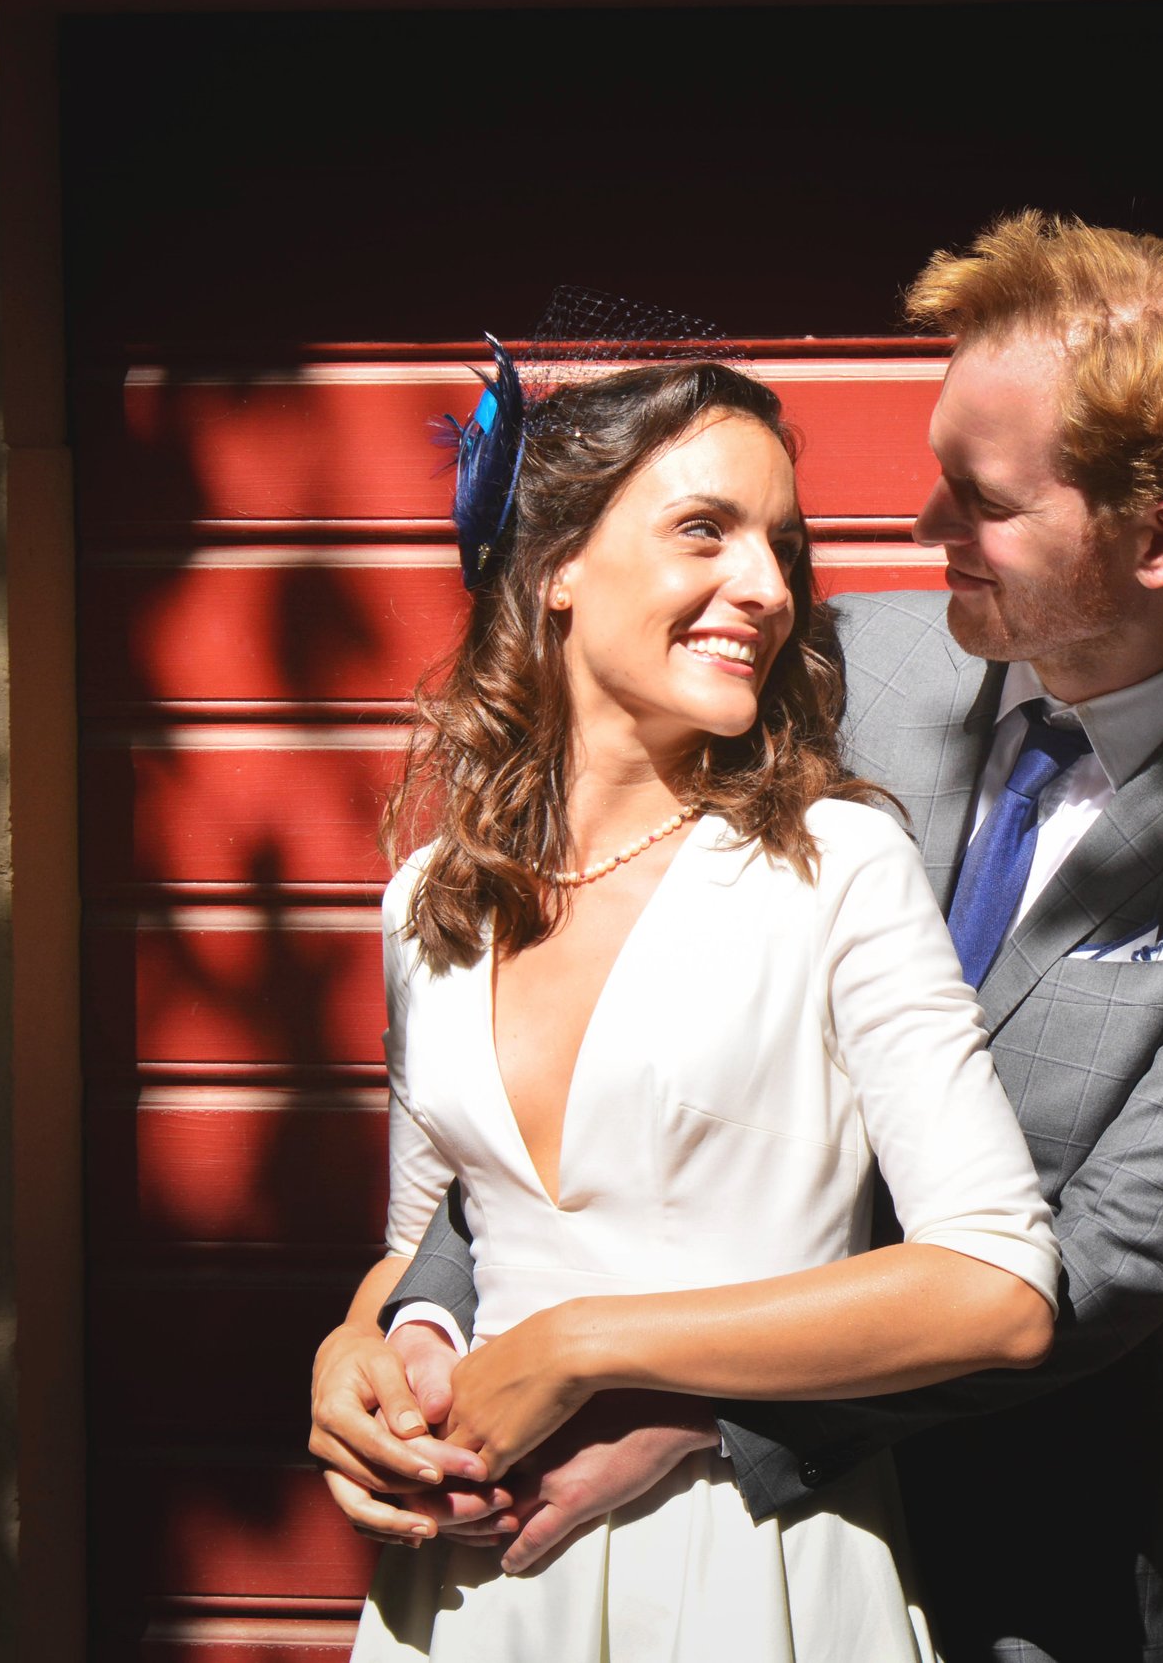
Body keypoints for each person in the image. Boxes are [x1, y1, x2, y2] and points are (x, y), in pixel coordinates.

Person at [316, 214, 1163, 1661]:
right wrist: (404, 1323)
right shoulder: (848, 662)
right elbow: (566, 1028)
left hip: (1015, 1545)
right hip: (589, 1517)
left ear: (1161, 542)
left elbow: (1100, 1259)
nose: (919, 532)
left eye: (980, 502)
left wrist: (697, 1422)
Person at [320, 356, 1062, 1662]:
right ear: (556, 567)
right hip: (474, 1599)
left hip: (752, 1569)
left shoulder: (832, 866)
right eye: (704, 531)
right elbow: (429, 1244)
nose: (771, 590)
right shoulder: (429, 904)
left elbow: (995, 1283)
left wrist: (589, 1348)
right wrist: (355, 1359)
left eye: (784, 546)